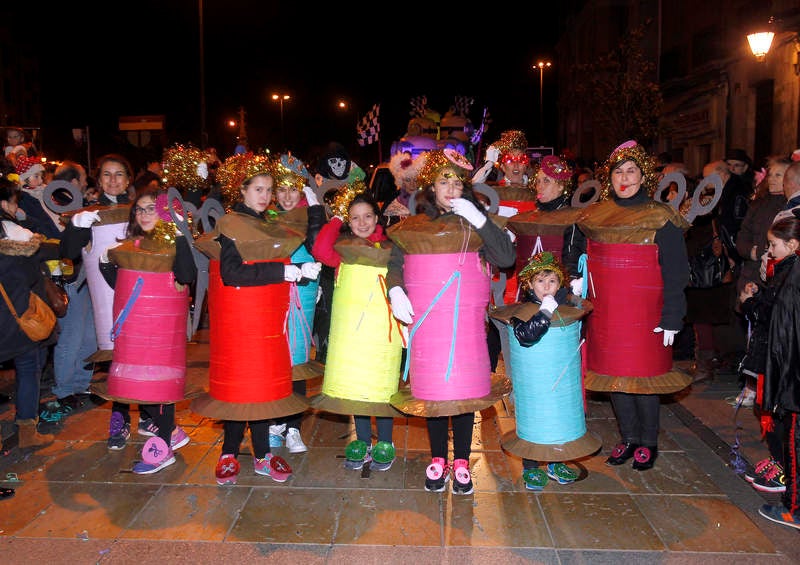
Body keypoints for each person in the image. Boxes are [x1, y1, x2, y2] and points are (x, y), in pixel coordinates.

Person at [385, 148, 516, 494]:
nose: (450, 187)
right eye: (443, 181)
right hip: (428, 324)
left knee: (463, 391)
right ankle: (438, 458)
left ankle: (461, 460)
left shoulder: (474, 224)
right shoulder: (412, 227)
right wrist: (395, 290)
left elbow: (506, 256)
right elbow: (395, 262)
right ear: (430, 187)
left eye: (457, 181)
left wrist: (480, 220)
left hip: (466, 325)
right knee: (433, 392)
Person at [190, 154, 320, 486]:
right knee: (239, 391)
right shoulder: (231, 224)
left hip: (266, 323)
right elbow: (232, 273)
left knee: (262, 389)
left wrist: (302, 274)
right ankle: (229, 453)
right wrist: (283, 271)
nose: (265, 196)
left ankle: (262, 455)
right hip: (239, 324)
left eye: (268, 190)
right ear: (242, 191)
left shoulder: (269, 223)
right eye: (258, 189)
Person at [577, 140, 691, 471]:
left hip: (647, 314)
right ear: (608, 178)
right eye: (618, 172)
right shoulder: (596, 214)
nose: (624, 179)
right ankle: (627, 438)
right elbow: (583, 257)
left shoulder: (660, 216)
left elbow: (676, 271)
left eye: (631, 172)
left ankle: (648, 441)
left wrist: (673, 316)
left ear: (643, 177)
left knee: (645, 378)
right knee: (615, 378)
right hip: (607, 314)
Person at [96, 189, 196, 472]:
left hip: (163, 330)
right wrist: (105, 265)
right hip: (138, 328)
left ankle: (164, 447)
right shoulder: (134, 245)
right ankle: (172, 433)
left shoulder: (173, 243)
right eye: (139, 210)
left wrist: (177, 232)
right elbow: (127, 289)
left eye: (151, 208)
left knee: (159, 384)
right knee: (141, 384)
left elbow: (187, 275)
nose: (144, 214)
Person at [311, 191, 404, 472]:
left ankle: (385, 441)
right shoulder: (344, 247)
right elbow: (319, 251)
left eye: (367, 216)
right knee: (356, 383)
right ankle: (363, 440)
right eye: (354, 218)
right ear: (348, 223)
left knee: (381, 384)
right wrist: (336, 216)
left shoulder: (390, 246)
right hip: (352, 331)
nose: (362, 222)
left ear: (377, 219)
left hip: (382, 328)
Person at [509, 252, 586, 489]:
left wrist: (576, 295)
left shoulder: (561, 305)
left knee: (559, 414)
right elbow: (526, 336)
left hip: (560, 375)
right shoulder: (523, 311)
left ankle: (556, 460)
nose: (546, 287)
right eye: (541, 281)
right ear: (530, 284)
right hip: (533, 378)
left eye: (552, 281)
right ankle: (531, 466)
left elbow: (583, 311)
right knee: (535, 415)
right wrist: (544, 312)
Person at [267, 154, 326, 454]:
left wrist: (315, 211)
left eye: (294, 189)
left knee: (298, 359)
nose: (288, 196)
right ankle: (275, 421)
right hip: (274, 289)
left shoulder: (311, 216)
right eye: (282, 189)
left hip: (304, 289)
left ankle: (293, 426)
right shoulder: (268, 218)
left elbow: (320, 248)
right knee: (275, 358)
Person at [0, 176, 57, 450]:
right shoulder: (17, 234)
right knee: (28, 367)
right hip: (17, 319)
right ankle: (26, 432)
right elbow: (37, 261)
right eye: (12, 202)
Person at [729, 156, 791, 407]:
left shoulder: (789, 207)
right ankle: (751, 384)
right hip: (755, 272)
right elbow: (742, 234)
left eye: (780, 175)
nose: (774, 180)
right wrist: (750, 251)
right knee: (752, 332)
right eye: (772, 174)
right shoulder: (759, 204)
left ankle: (770, 386)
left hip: (778, 276)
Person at [758, 211, 800, 529]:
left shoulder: (793, 277)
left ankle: (794, 508)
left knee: (795, 444)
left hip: (794, 378)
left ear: (793, 244)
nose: (770, 251)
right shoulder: (788, 272)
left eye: (774, 245)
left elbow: (787, 333)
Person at [383, 150, 428, 227]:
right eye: (408, 180)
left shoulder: (427, 199)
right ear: (402, 182)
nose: (412, 184)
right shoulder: (392, 200)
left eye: (415, 180)